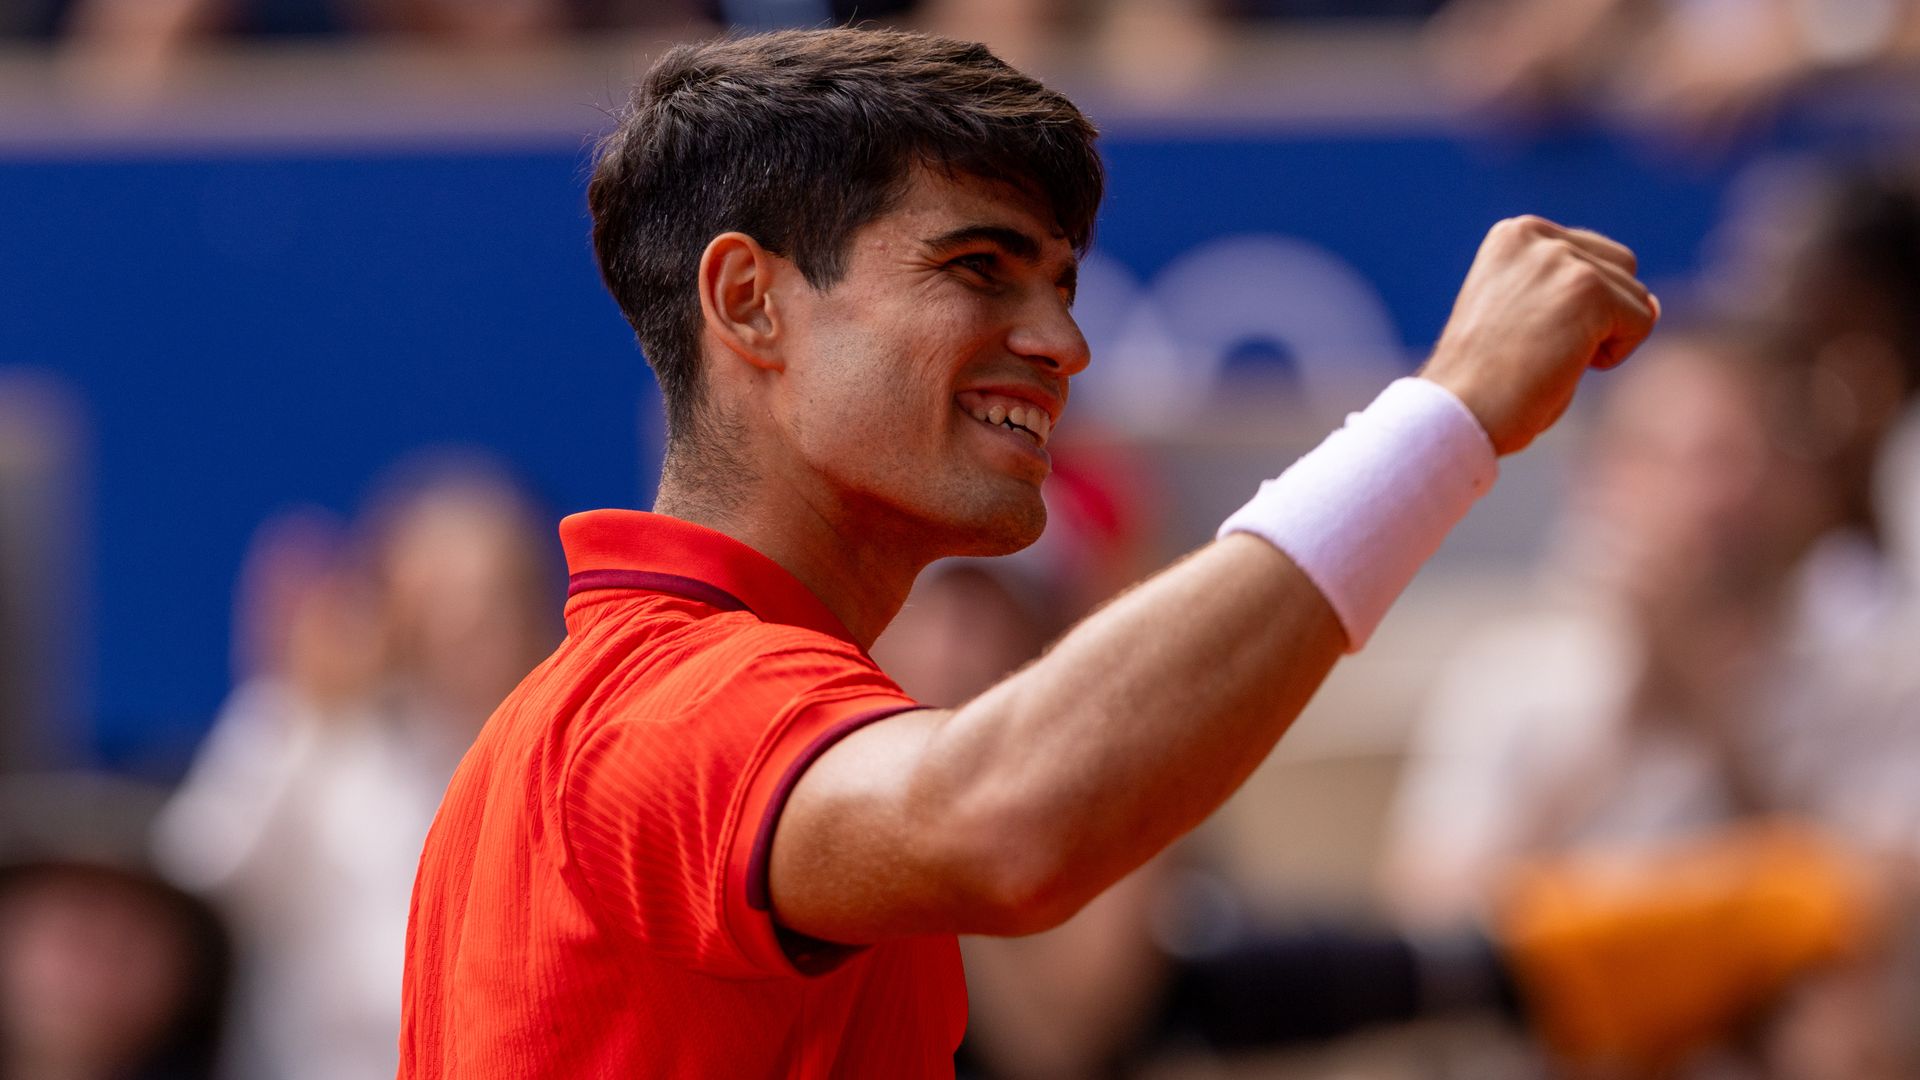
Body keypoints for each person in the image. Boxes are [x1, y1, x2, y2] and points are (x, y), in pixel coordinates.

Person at [398, 26, 1656, 1078]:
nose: (1063, 343)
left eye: (1060, 284)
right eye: (978, 268)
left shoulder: (584, 720)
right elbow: (1006, 825)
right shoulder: (669, 708)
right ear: (750, 302)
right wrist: (1447, 414)